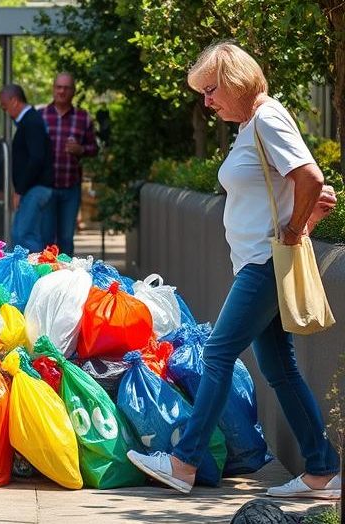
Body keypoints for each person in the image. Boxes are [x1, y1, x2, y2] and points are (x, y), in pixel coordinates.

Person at [126, 42, 341, 499]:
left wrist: (292, 231)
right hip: (257, 260)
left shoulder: (266, 118)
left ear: (235, 80)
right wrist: (301, 218)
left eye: (210, 89)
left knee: (217, 355)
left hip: (265, 263)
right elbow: (300, 189)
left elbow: (312, 179)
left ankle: (184, 462)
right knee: (278, 368)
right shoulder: (252, 125)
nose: (205, 101)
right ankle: (321, 470)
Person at [40, 72, 98, 256]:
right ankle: (47, 279)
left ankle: (68, 280)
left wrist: (81, 150)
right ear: (53, 89)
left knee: (66, 238)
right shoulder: (40, 116)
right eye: (59, 87)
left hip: (70, 187)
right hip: (45, 187)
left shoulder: (83, 118)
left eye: (66, 88)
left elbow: (94, 149)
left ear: (73, 91)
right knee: (47, 238)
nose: (62, 91)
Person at [0, 84, 54, 252]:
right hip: (34, 187)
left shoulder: (31, 121)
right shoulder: (30, 121)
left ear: (14, 101)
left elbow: (36, 158)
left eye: (5, 107)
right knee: (22, 234)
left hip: (34, 188)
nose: (6, 112)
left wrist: (20, 190)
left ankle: (35, 274)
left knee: (24, 235)